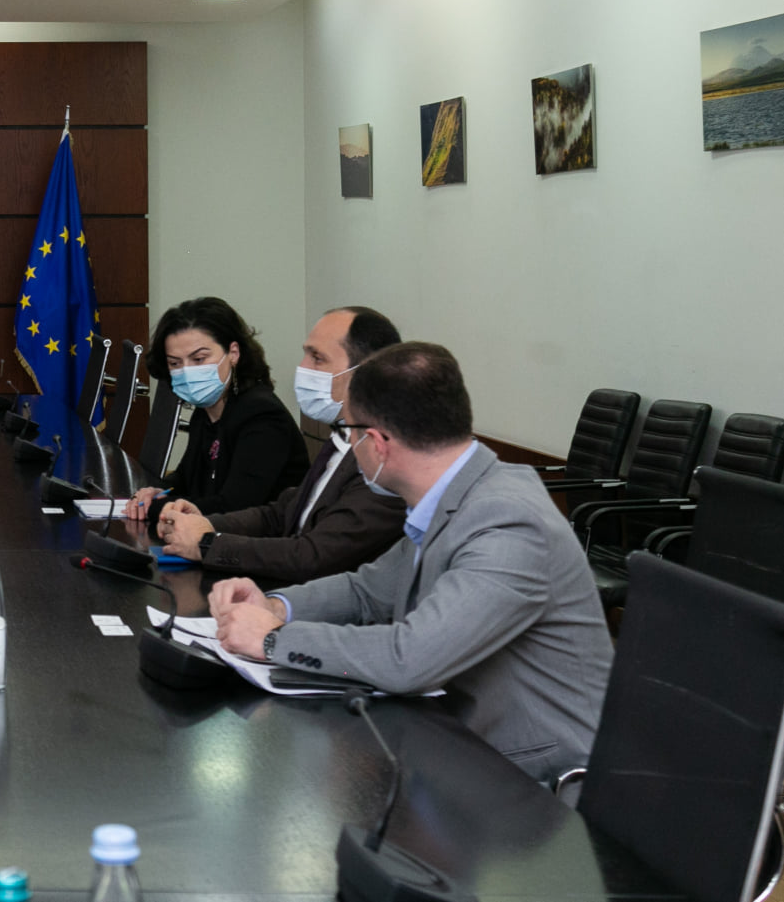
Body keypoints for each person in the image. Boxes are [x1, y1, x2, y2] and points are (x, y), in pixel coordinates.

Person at [208, 342, 612, 784]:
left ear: (378, 443)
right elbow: (367, 591)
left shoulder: (508, 523)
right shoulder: (457, 496)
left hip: (536, 782)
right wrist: (276, 606)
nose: (350, 445)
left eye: (350, 432)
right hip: (456, 744)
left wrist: (273, 639)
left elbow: (409, 659)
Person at [155, 307, 406, 583]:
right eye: (306, 355)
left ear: (366, 372)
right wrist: (206, 523)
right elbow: (282, 512)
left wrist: (206, 544)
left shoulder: (385, 457)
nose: (303, 368)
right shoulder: (343, 435)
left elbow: (313, 556)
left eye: (317, 358)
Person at [126, 297, 308, 521]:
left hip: (259, 537)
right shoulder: (206, 411)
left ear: (233, 353)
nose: (187, 372)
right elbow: (185, 479)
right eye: (175, 363)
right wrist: (157, 492)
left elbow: (234, 506)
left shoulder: (262, 415)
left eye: (199, 359)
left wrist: (156, 508)